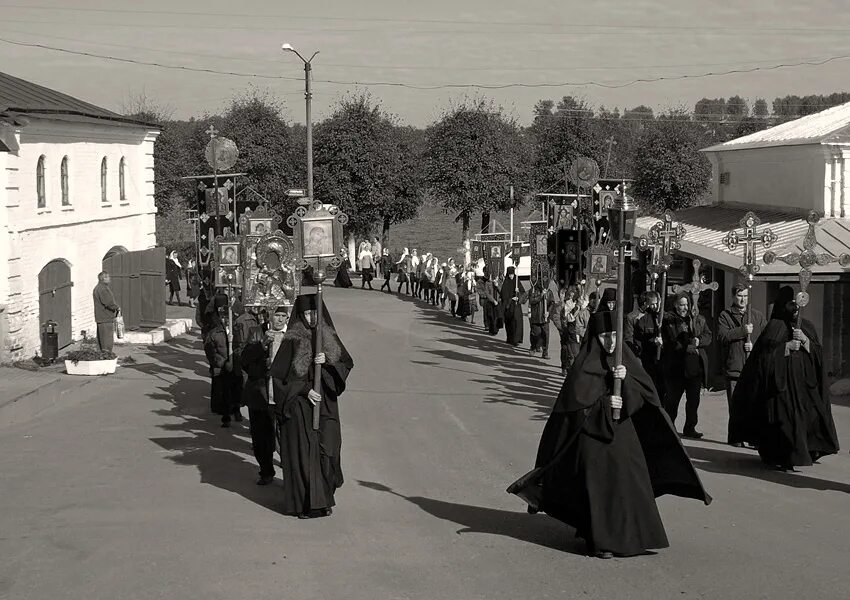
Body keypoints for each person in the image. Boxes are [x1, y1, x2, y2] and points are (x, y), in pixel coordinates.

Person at [507, 310, 711, 558]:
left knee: (631, 478)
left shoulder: (626, 360)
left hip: (622, 432)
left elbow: (648, 397)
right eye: (605, 336)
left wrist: (625, 384)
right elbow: (576, 406)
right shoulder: (584, 366)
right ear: (595, 337)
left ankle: (633, 537)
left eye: (615, 335)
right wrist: (605, 404)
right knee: (598, 485)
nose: (611, 342)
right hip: (593, 438)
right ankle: (600, 541)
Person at [728, 286, 839, 470]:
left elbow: (818, 355)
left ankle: (801, 453)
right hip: (779, 389)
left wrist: (805, 340)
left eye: (796, 306)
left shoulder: (807, 327)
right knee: (784, 422)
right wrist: (786, 347)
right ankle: (784, 457)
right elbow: (763, 360)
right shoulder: (774, 327)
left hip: (803, 388)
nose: (794, 310)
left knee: (804, 419)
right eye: (790, 306)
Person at [270, 293, 354, 518]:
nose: (312, 317)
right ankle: (307, 505)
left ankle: (325, 496)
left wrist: (327, 362)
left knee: (329, 451)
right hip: (299, 408)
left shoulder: (327, 336)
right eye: (307, 313)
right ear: (301, 315)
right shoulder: (292, 340)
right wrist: (305, 390)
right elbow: (279, 378)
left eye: (315, 312)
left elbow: (346, 364)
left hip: (325, 406)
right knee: (304, 457)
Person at [716, 283, 766, 446]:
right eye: (739, 296)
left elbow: (766, 337)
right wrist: (742, 332)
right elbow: (723, 337)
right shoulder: (725, 315)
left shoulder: (757, 316)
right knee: (736, 405)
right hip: (735, 367)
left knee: (753, 405)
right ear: (733, 297)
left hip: (752, 367)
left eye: (745, 296)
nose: (742, 299)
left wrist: (755, 345)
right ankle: (736, 437)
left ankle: (753, 438)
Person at [661, 293, 712, 438]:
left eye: (686, 304)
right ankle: (669, 428)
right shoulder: (669, 320)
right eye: (681, 304)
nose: (684, 308)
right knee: (672, 400)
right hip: (676, 366)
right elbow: (670, 341)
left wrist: (698, 341)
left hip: (694, 367)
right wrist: (686, 347)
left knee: (693, 400)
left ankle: (690, 427)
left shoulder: (698, 319)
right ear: (676, 305)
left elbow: (708, 336)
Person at [203, 293, 239, 428]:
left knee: (236, 388)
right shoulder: (213, 328)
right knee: (222, 390)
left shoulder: (236, 323)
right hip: (221, 364)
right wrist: (221, 362)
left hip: (234, 362)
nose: (225, 317)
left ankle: (236, 410)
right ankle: (225, 415)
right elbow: (209, 349)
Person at [631, 291, 665, 399]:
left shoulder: (666, 317)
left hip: (664, 360)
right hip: (649, 360)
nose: (655, 306)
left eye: (656, 303)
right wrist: (652, 342)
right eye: (652, 304)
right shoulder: (643, 320)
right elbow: (639, 341)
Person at [92, 271, 120, 352]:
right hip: (105, 317)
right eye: (108, 277)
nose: (109, 278)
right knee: (106, 340)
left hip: (102, 317)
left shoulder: (98, 287)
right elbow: (108, 302)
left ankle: (103, 356)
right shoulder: (103, 288)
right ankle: (106, 357)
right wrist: (117, 307)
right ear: (104, 278)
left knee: (102, 339)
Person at [500, 266, 525, 347]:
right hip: (509, 306)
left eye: (512, 274)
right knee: (509, 322)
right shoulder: (506, 282)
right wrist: (511, 298)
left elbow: (523, 293)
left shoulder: (517, 280)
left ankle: (516, 339)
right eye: (510, 274)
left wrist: (518, 294)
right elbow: (503, 295)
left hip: (516, 306)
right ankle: (510, 338)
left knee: (517, 322)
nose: (511, 276)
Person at [528, 276, 550, 359]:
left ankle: (545, 352)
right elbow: (532, 300)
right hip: (536, 317)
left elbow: (552, 303)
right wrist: (541, 295)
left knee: (545, 335)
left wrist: (548, 312)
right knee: (535, 334)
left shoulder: (549, 292)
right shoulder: (533, 290)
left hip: (545, 318)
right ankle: (533, 347)